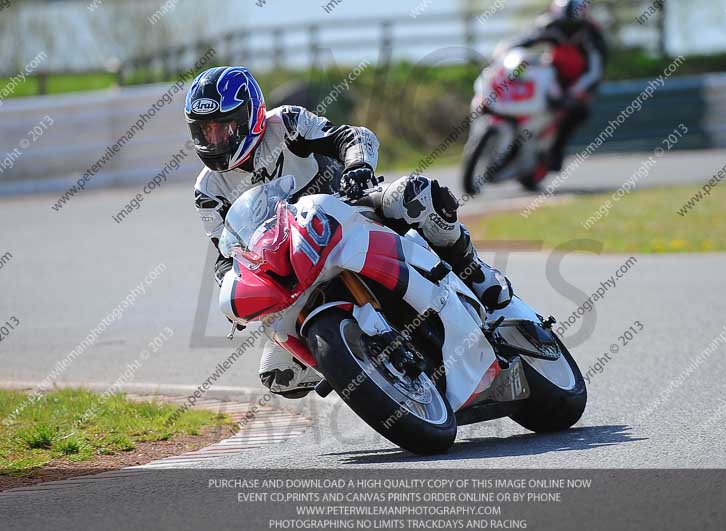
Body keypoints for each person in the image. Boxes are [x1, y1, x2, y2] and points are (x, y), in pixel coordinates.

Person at [186, 66, 513, 398]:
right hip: (288, 266)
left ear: (250, 116)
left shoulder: (286, 123)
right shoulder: (207, 190)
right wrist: (235, 290)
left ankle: (475, 273)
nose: (214, 140)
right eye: (205, 131)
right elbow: (226, 254)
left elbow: (351, 137)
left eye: (223, 128)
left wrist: (357, 166)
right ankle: (367, 369)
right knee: (279, 375)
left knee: (416, 196)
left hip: (347, 210)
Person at [508, 0, 608, 185]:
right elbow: (525, 40)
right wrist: (508, 51)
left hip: (579, 84)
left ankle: (554, 154)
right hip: (551, 76)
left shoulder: (592, 34)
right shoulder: (548, 24)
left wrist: (575, 92)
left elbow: (595, 71)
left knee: (576, 112)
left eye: (571, 26)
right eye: (563, 25)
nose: (566, 30)